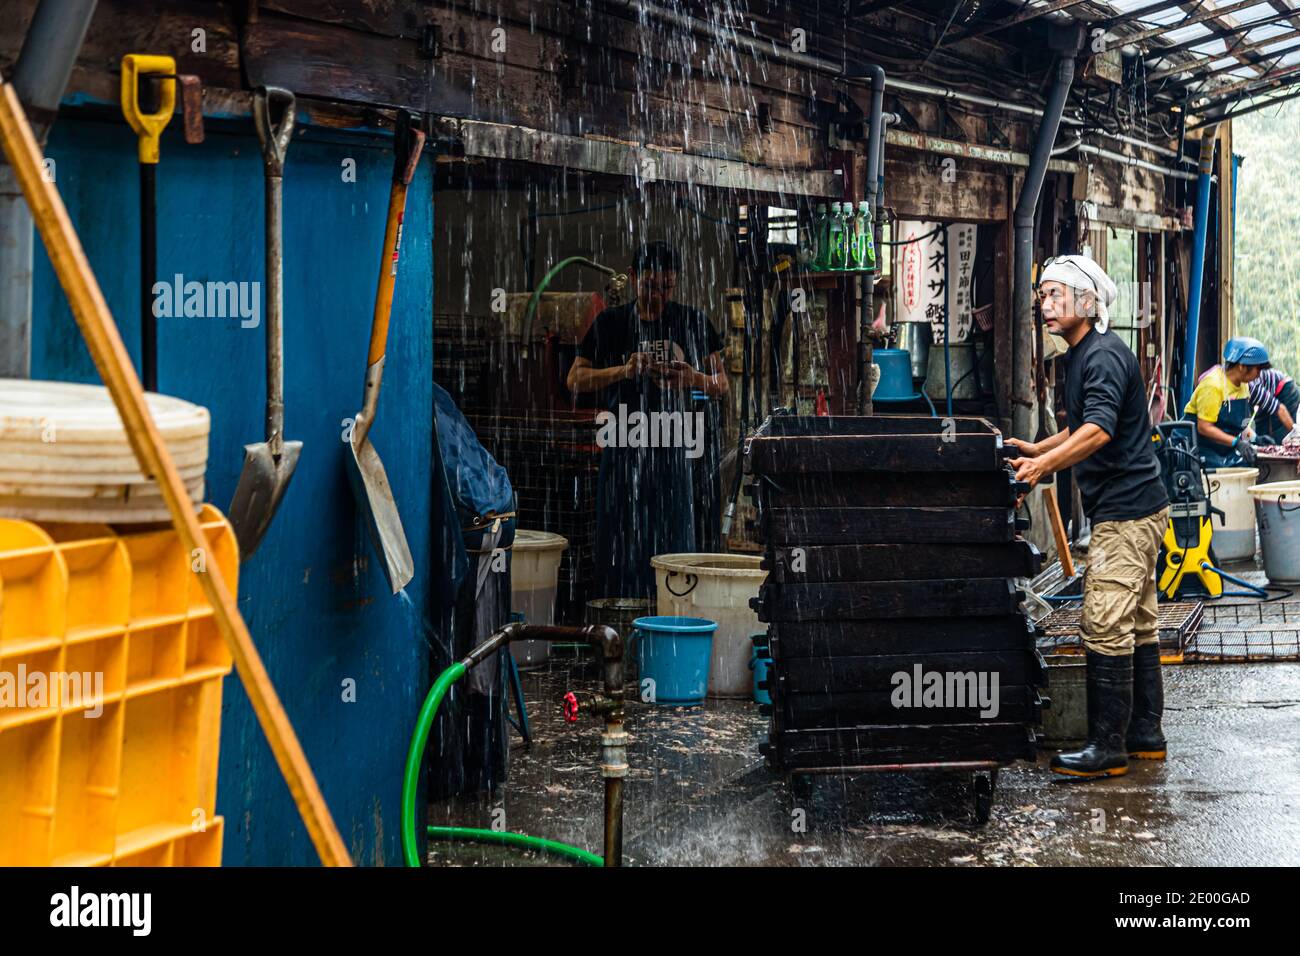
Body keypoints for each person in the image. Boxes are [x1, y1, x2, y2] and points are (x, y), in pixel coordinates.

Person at [1007, 254, 1170, 779]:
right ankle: (1145, 734)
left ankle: (1106, 749)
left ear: (1087, 302)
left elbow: (1098, 433)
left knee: (1103, 622)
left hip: (1126, 516)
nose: (1046, 305)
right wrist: (1037, 450)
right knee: (1138, 622)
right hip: (1139, 508)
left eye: (1056, 295)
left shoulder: (1099, 356)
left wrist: (1040, 470)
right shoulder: (1086, 354)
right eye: (1043, 296)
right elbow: (1083, 426)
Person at [566, 241, 729, 601]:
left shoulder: (693, 321)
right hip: (622, 451)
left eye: (666, 287)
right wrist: (624, 370)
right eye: (651, 287)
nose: (658, 296)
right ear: (635, 277)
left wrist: (694, 379)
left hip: (674, 456)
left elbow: (722, 384)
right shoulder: (610, 323)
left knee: (674, 551)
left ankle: (671, 621)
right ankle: (620, 627)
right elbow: (575, 379)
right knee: (619, 551)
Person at [1182, 337, 1270, 467]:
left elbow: (1238, 426)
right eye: (1258, 369)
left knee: (1247, 464)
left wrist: (1255, 438)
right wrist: (1236, 443)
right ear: (1241, 366)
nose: (1259, 374)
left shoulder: (1243, 385)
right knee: (1221, 470)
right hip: (1198, 445)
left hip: (1221, 446)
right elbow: (1204, 428)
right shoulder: (1213, 385)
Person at [1249, 364, 1298, 444]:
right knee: (1260, 435)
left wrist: (1295, 436)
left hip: (1285, 389)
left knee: (1280, 435)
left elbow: (1280, 409)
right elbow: (1244, 423)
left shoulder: (1252, 388)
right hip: (1266, 392)